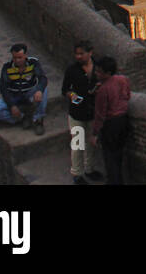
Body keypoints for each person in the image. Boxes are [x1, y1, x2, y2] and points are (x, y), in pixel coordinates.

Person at [61, 41, 103, 184]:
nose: (78, 57)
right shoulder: (72, 70)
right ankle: (77, 173)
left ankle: (89, 169)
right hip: (77, 112)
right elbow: (65, 89)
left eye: (81, 53)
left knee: (91, 143)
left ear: (90, 53)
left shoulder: (98, 67)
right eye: (77, 54)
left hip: (93, 112)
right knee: (78, 143)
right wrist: (74, 97)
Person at [0, 43, 48, 135]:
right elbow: (3, 88)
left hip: (29, 93)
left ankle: (38, 119)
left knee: (44, 90)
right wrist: (11, 105)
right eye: (15, 58)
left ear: (25, 56)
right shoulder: (7, 68)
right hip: (14, 96)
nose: (17, 60)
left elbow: (42, 78)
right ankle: (22, 117)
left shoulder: (33, 63)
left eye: (20, 57)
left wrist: (39, 90)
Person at [92, 56, 131, 185]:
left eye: (99, 72)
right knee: (119, 155)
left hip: (111, 124)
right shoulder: (123, 80)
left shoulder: (103, 90)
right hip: (124, 120)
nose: (96, 74)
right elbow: (127, 96)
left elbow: (100, 114)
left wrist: (95, 133)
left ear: (107, 73)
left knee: (110, 158)